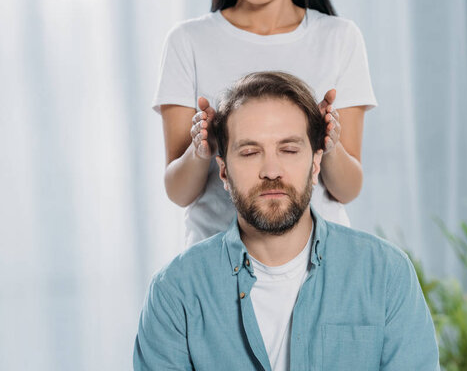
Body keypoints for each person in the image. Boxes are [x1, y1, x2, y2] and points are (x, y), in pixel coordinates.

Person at [134, 72, 439, 371]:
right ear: (224, 172)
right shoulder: (174, 293)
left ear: (316, 162)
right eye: (250, 152)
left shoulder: (386, 275)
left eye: (289, 149)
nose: (271, 170)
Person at [155, 0, 377, 244]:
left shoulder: (340, 37)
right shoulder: (187, 40)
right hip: (217, 262)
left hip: (319, 259)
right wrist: (202, 150)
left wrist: (329, 144)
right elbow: (179, 192)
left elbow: (348, 189)